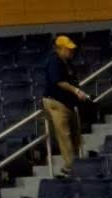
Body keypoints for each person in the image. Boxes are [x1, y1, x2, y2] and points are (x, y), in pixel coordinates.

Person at [42, 36, 88, 178]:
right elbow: (58, 81)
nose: (71, 51)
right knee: (65, 135)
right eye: (68, 49)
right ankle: (71, 167)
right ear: (60, 49)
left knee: (75, 134)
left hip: (68, 103)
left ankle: (74, 164)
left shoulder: (67, 62)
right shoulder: (54, 62)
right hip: (56, 102)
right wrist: (76, 91)